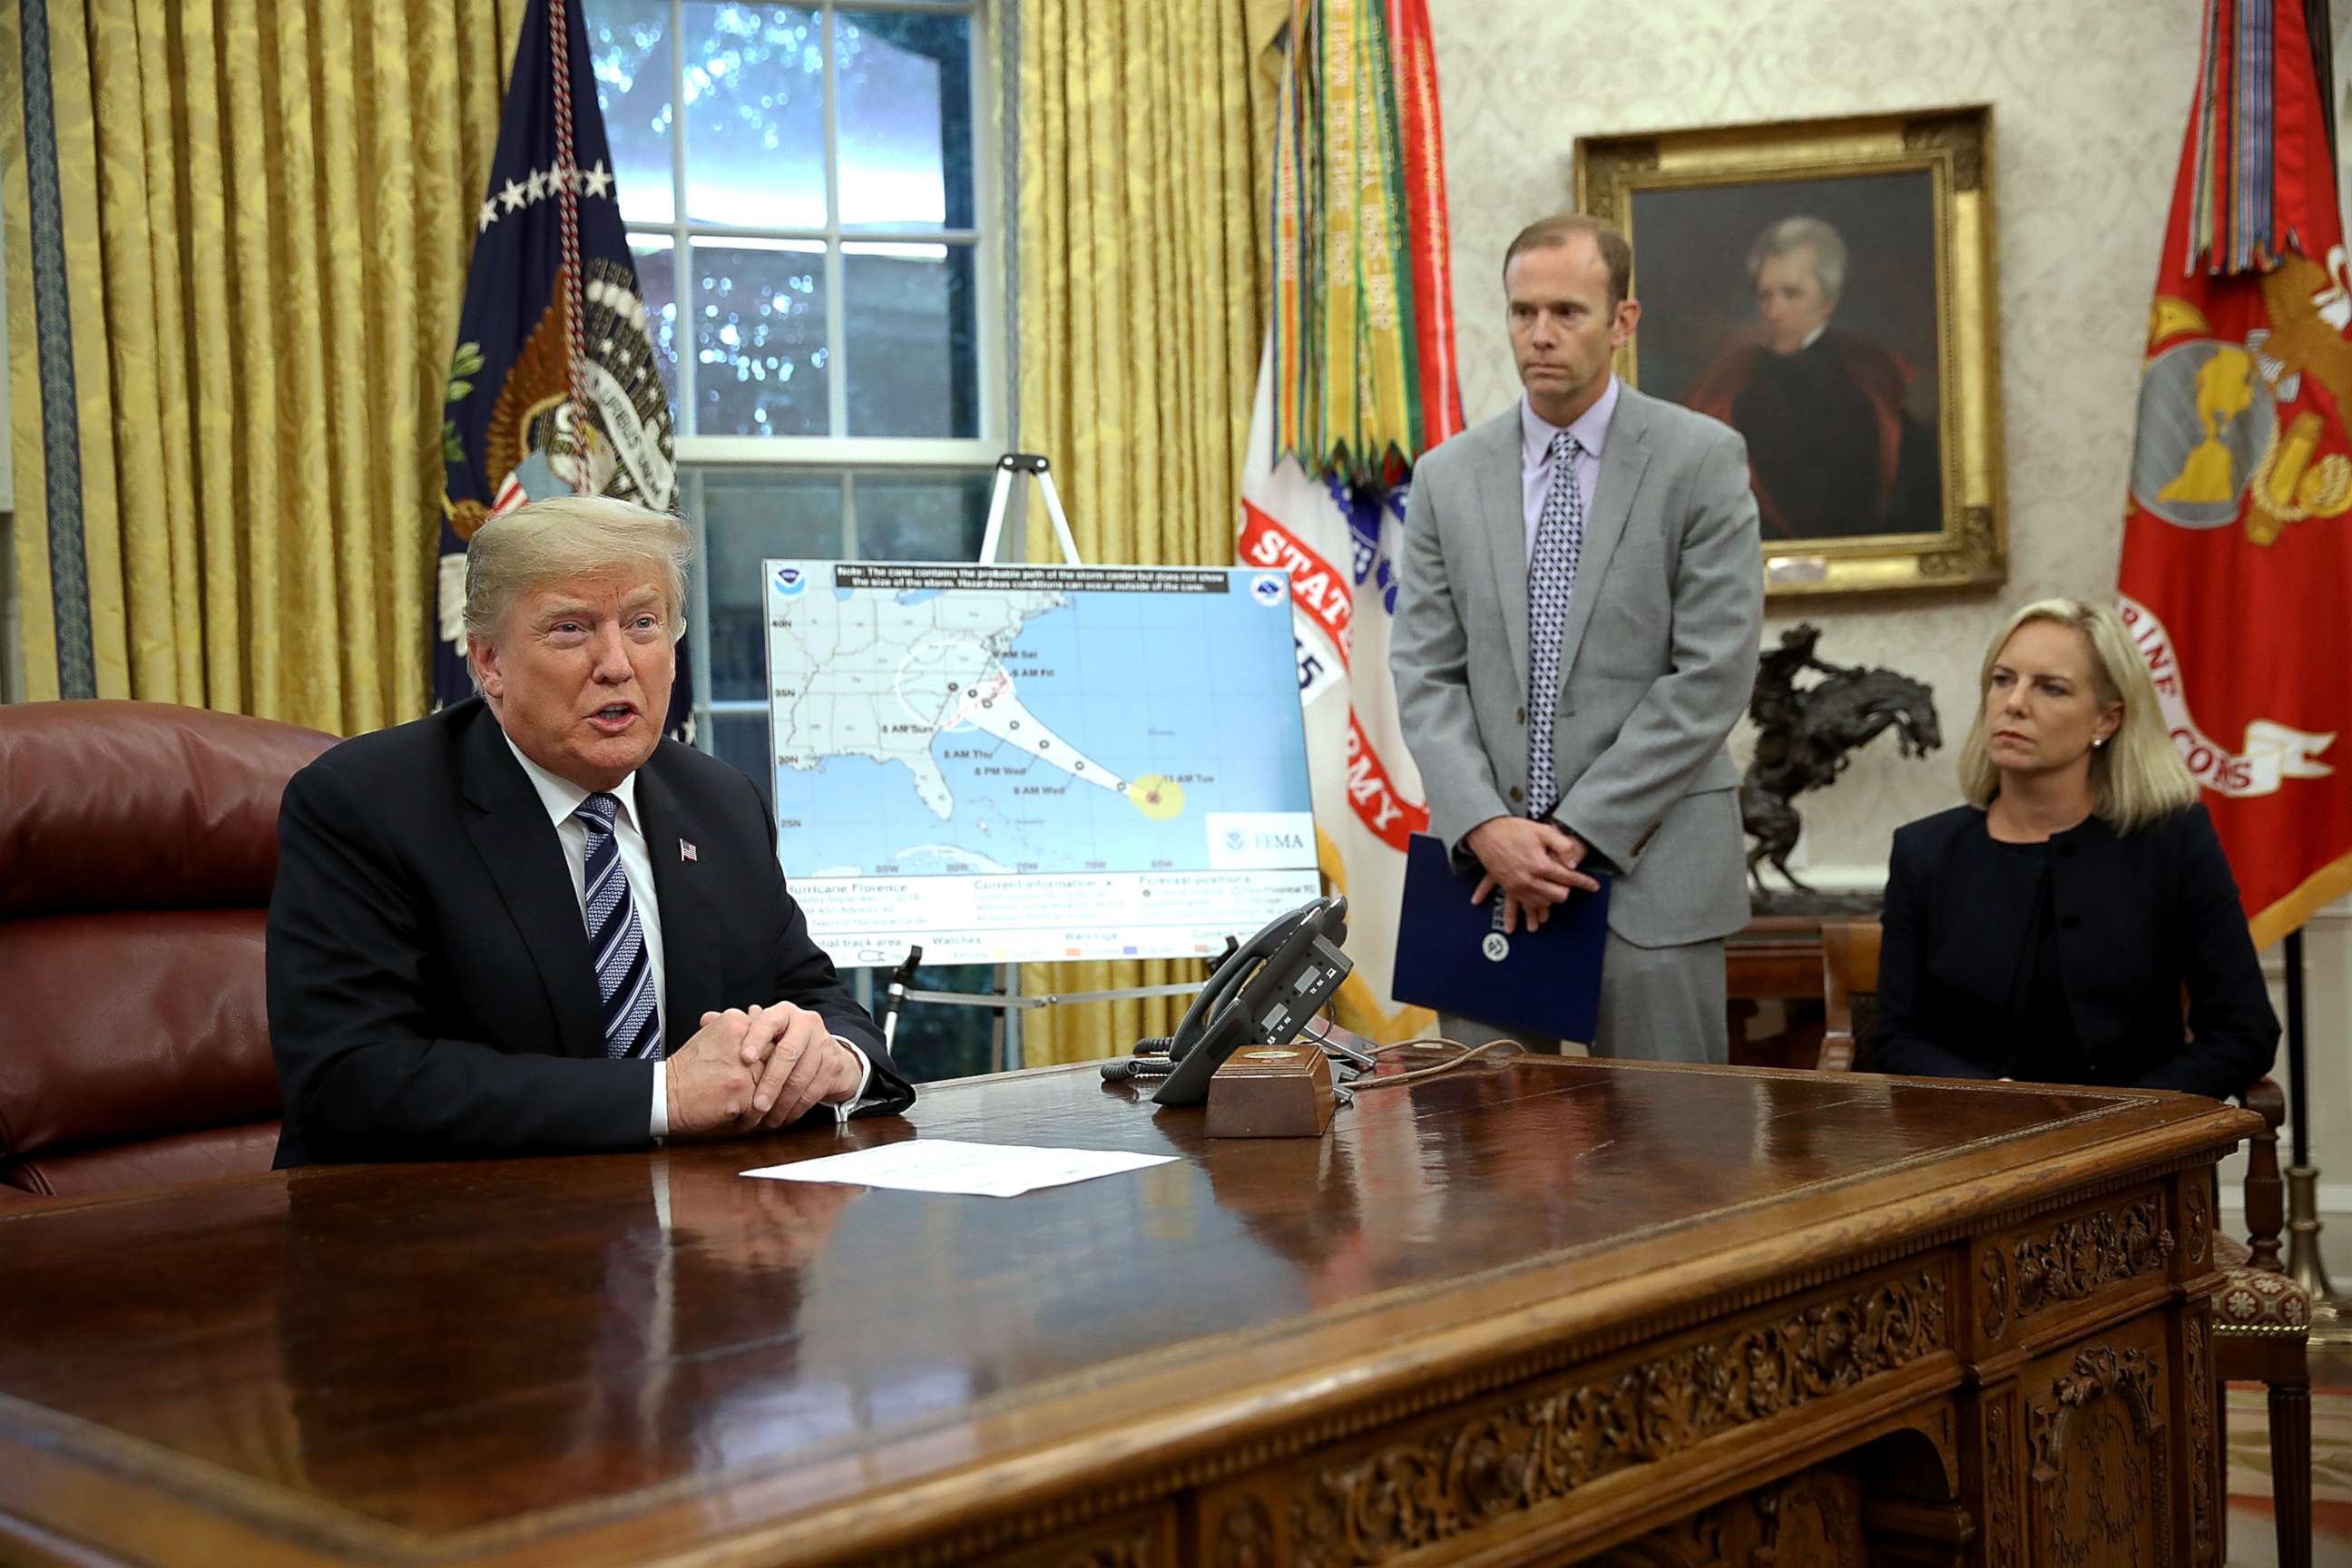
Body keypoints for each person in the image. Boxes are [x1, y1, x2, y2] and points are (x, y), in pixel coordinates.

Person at [268, 495, 914, 1166]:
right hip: (453, 1239)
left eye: (643, 622)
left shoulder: (721, 804)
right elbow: (349, 1082)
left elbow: (816, 998)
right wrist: (663, 1094)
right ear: (489, 661)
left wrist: (834, 1061)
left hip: (698, 1236)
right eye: (571, 630)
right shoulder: (364, 805)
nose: (617, 663)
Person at [1390, 213, 1764, 1063]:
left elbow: (1712, 673)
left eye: (1568, 312)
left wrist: (1572, 834)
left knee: (1677, 1168)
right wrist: (1487, 823)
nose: (1541, 336)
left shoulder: (1701, 459)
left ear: (1623, 322)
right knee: (1485, 1172)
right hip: (1485, 874)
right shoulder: (1448, 476)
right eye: (1523, 313)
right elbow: (1424, 671)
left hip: (1652, 873)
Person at [1872, 599, 2278, 1096]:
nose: (2014, 703)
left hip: (2138, 1154)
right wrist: (1989, 1101)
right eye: (2003, 680)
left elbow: (2244, 1032)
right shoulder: (1925, 852)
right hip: (1974, 1149)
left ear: (2105, 721)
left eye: (2050, 688)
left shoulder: (2173, 839)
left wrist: (2130, 1120)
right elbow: (1895, 1038)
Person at [1683, 215, 1941, 541]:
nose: (1773, 312)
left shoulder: (1872, 378)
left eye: (1791, 294)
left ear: (1828, 301)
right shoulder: (1729, 383)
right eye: (1766, 296)